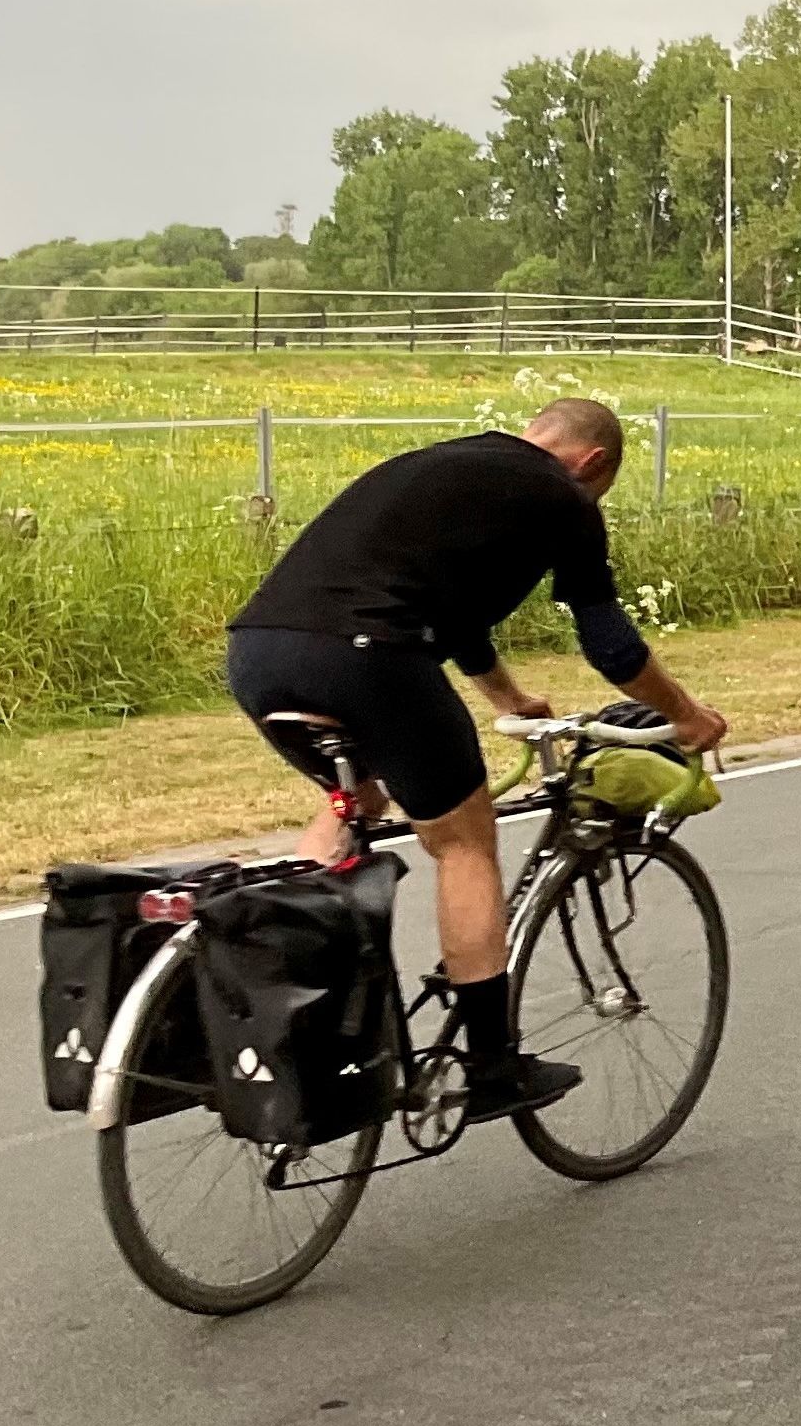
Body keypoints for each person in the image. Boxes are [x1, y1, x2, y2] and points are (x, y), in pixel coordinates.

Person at [225, 397, 727, 1121]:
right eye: (600, 489)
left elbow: (456, 616)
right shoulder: (564, 497)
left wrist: (508, 698)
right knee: (462, 840)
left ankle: (286, 997)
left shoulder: (452, 464)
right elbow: (608, 643)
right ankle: (493, 1067)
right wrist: (684, 714)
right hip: (367, 656)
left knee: (357, 802)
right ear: (593, 464)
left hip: (259, 653)